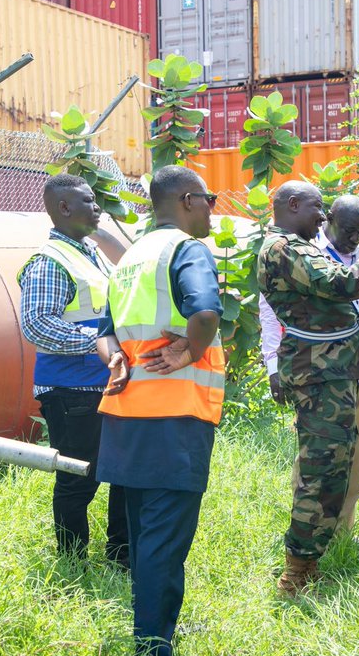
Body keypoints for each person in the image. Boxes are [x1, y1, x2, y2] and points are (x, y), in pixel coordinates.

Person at [96, 165, 224, 656]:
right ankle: (153, 643)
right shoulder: (186, 249)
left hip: (127, 416)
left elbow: (104, 332)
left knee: (147, 533)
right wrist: (189, 351)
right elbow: (206, 313)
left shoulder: (131, 257)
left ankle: (154, 627)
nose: (213, 207)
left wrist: (117, 363)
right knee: (163, 543)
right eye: (208, 198)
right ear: (188, 200)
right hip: (174, 416)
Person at [256, 182, 359, 596]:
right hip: (318, 376)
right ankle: (296, 572)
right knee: (318, 471)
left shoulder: (293, 246)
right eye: (315, 208)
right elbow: (343, 283)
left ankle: (312, 560)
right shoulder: (284, 247)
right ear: (292, 206)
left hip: (333, 373)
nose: (322, 217)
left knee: (335, 467)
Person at [17, 173, 128, 568]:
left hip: (103, 384)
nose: (97, 207)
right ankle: (73, 563)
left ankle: (121, 559)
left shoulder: (89, 252)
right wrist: (96, 342)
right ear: (64, 208)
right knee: (79, 478)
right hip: (71, 390)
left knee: (122, 473)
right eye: (88, 201)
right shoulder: (50, 261)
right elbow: (36, 323)